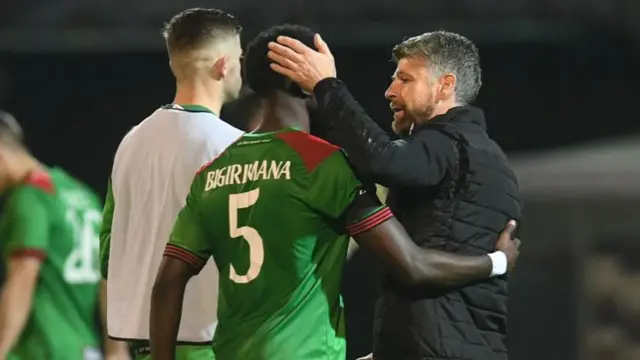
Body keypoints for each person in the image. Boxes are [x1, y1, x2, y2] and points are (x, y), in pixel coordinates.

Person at [149, 25, 521, 360]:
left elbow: (167, 283)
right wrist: (498, 261)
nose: (390, 90)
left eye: (404, 79)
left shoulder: (212, 172)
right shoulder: (323, 165)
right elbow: (413, 265)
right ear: (303, 84)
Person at [268, 31, 523, 360]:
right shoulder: (488, 159)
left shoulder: (450, 146)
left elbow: (382, 159)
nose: (390, 91)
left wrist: (326, 85)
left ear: (445, 85)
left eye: (405, 79)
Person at [99, 8, 243, 360]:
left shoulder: (130, 144)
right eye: (240, 58)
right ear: (223, 65)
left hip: (147, 347)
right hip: (214, 344)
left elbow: (108, 256)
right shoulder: (236, 147)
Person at [0, 111, 129, 360]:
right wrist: (117, 349)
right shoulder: (81, 195)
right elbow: (109, 275)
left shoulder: (30, 198)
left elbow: (23, 277)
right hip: (84, 350)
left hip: (41, 350)